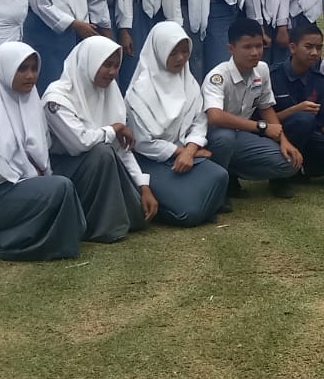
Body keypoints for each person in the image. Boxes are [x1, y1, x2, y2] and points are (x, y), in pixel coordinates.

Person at [0, 43, 86, 260]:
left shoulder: (29, 101)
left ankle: (28, 234)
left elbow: (42, 148)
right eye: (22, 69)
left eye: (34, 69)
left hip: (12, 183)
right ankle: (10, 242)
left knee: (61, 183)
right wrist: (26, 176)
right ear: (4, 70)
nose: (30, 75)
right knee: (59, 187)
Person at [42, 37, 157, 242]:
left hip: (97, 165)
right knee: (102, 152)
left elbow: (122, 148)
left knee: (138, 218)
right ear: (89, 61)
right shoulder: (57, 98)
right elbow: (80, 144)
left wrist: (143, 186)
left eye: (116, 65)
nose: (112, 72)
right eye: (106, 64)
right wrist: (114, 128)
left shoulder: (109, 92)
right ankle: (97, 226)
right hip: (61, 170)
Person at [123, 22, 229, 226]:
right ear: (159, 51)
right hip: (149, 160)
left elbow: (199, 122)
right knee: (187, 212)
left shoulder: (188, 83)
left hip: (184, 154)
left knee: (219, 176)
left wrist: (190, 150)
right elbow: (142, 142)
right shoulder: (138, 92)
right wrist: (182, 152)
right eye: (173, 52)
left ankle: (195, 204)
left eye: (185, 51)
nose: (181, 58)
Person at [203, 16, 302, 201]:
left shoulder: (262, 70)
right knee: (225, 137)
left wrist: (284, 141)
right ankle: (218, 187)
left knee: (289, 164)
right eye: (247, 47)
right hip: (213, 138)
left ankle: (231, 172)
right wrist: (261, 127)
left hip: (241, 136)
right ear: (231, 48)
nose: (255, 52)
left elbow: (266, 108)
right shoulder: (217, 76)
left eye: (259, 46)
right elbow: (214, 117)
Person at [270, 24, 324, 180]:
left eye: (319, 48)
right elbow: (261, 121)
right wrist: (295, 110)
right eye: (308, 47)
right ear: (292, 47)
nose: (315, 53)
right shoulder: (273, 77)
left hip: (311, 135)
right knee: (303, 118)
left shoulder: (318, 79)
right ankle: (281, 177)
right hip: (276, 136)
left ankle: (303, 168)